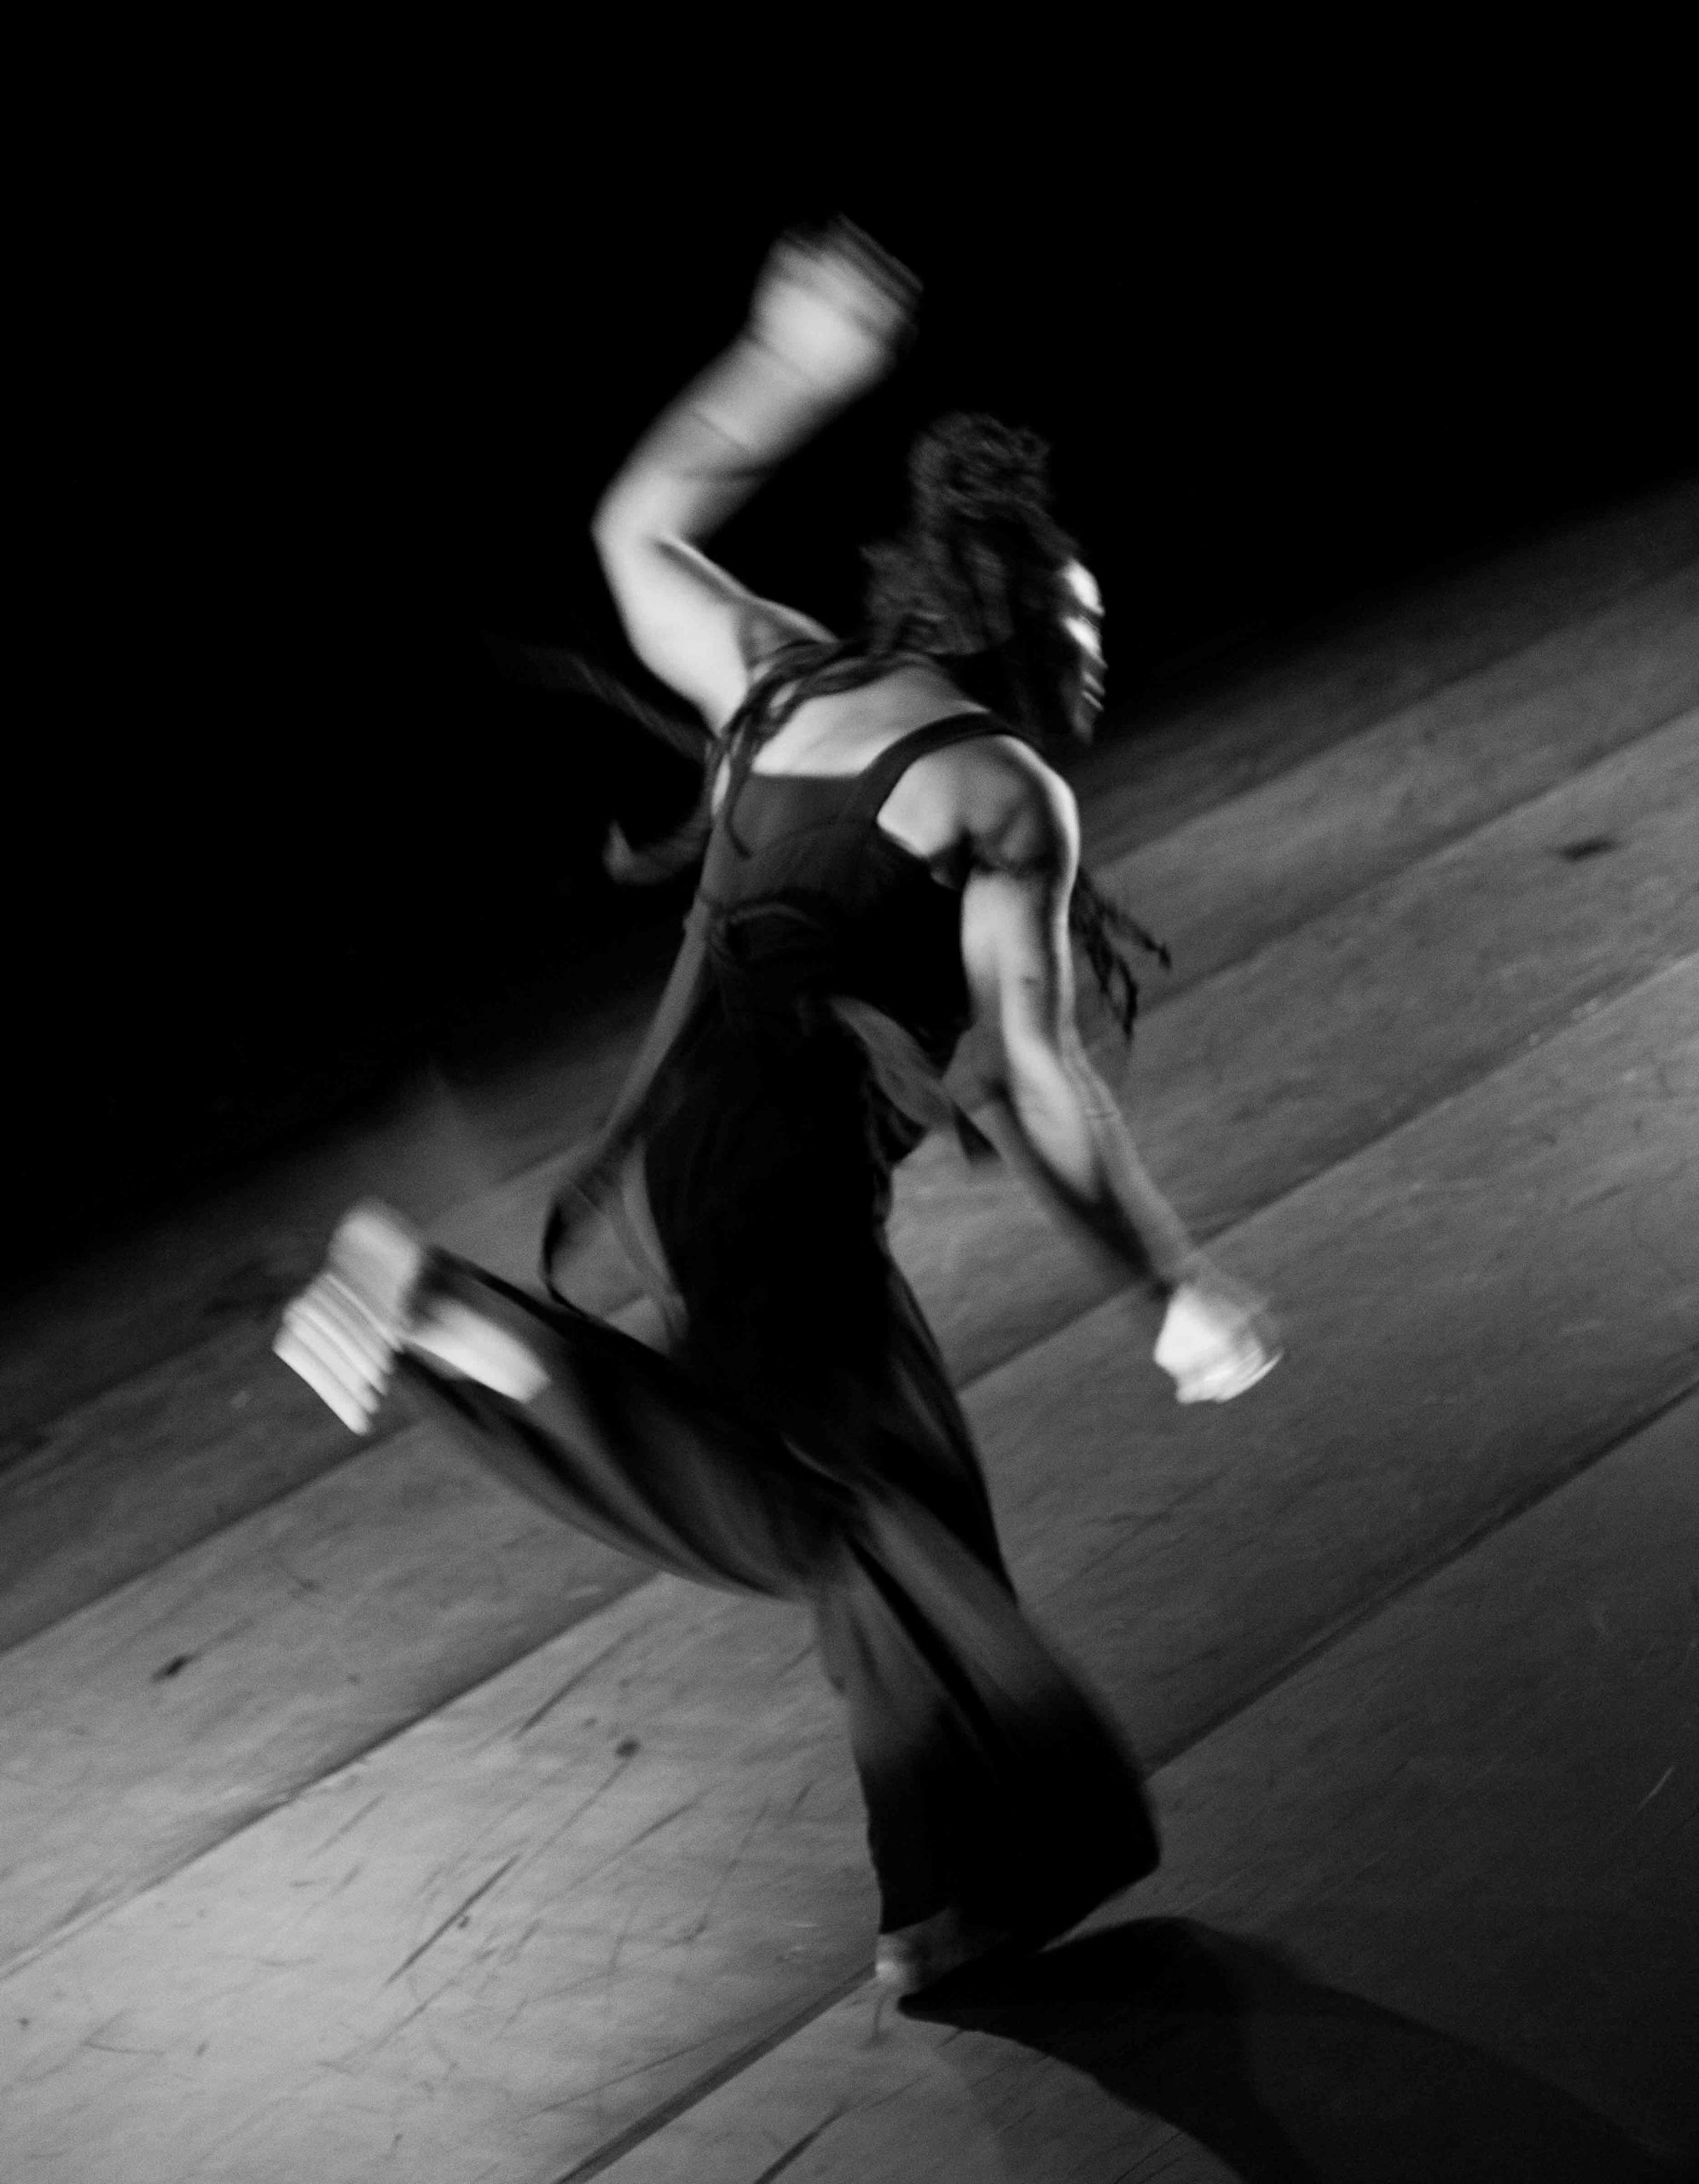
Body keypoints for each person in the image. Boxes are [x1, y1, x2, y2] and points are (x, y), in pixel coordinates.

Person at [275, 221, 1279, 1995]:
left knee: (919, 1517)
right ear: (1014, 631)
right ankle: (452, 1313)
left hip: (691, 1154)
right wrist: (1173, 1282)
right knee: (831, 1525)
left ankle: (950, 1902)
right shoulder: (1001, 785)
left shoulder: (783, 675)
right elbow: (1039, 1081)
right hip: (782, 1185)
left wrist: (785, 363)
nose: (1099, 650)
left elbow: (629, 528)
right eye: (1081, 623)